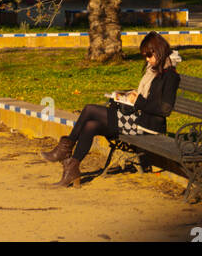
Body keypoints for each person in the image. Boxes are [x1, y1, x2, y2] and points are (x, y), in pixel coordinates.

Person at [41, 30, 181, 188]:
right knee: (90, 125)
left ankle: (65, 149)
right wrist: (127, 97)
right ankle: (72, 169)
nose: (147, 60)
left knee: (89, 110)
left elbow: (164, 110)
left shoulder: (170, 76)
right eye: (145, 56)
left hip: (148, 127)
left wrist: (138, 101)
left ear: (159, 51)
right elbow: (146, 99)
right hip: (137, 119)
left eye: (149, 55)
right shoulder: (154, 70)